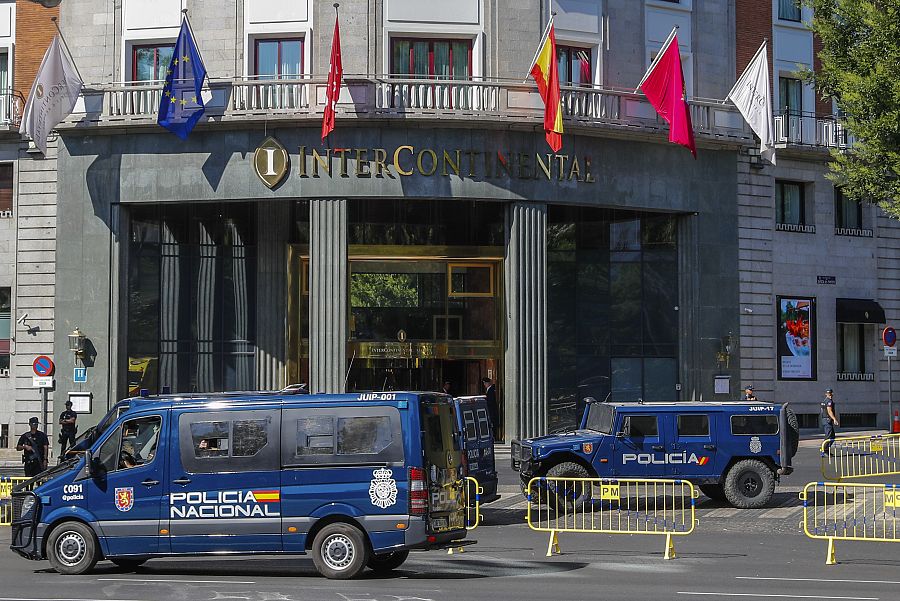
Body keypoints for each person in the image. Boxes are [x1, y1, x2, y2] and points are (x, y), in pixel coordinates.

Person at [821, 388, 840, 455]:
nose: (830, 395)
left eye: (831, 393)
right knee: (828, 436)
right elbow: (829, 411)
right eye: (829, 394)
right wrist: (834, 419)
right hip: (827, 420)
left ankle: (826, 449)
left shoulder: (824, 401)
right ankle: (824, 450)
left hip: (825, 420)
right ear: (826, 394)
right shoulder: (829, 401)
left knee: (832, 436)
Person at [482, 377, 500, 442]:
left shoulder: (491, 390)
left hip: (491, 411)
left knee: (492, 424)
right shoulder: (489, 389)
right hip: (490, 411)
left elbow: (491, 401)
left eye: (485, 383)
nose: (484, 385)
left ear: (488, 383)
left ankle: (493, 437)